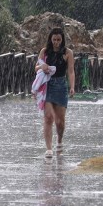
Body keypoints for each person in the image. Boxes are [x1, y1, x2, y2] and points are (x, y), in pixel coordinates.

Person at [34, 27, 75, 158]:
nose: (56, 42)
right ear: (50, 40)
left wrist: (72, 86)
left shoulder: (68, 53)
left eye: (58, 40)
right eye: (54, 40)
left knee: (60, 121)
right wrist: (42, 66)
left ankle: (59, 141)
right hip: (47, 85)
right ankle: (49, 149)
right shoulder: (45, 51)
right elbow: (36, 67)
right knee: (48, 118)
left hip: (61, 85)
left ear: (62, 40)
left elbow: (71, 71)